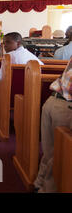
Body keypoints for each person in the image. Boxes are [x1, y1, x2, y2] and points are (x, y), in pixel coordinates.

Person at [34, 58, 71, 193]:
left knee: (50, 153)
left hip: (54, 100)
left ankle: (39, 184)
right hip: (66, 107)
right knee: (59, 156)